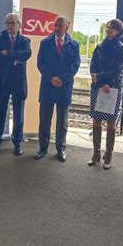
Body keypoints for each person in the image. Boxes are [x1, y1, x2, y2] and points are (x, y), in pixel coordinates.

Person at [34, 15, 80, 162]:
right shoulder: (45, 43)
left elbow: (75, 65)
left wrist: (62, 79)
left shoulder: (74, 44)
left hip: (64, 87)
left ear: (67, 26)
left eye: (61, 25)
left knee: (62, 122)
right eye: (56, 25)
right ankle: (43, 148)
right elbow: (40, 64)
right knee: (45, 120)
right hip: (48, 86)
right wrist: (51, 78)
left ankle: (61, 149)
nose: (58, 28)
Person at [0, 13, 32, 155]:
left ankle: (17, 142)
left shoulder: (25, 40)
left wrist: (8, 53)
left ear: (19, 24)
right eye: (7, 23)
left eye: (12, 23)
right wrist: (14, 60)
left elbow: (26, 55)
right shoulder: (0, 38)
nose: (10, 26)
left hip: (18, 82)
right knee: (0, 112)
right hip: (2, 81)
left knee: (19, 114)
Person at [88, 19, 123, 170]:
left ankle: (108, 155)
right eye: (107, 28)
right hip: (98, 86)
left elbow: (118, 69)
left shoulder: (122, 49)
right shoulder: (99, 47)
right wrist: (98, 79)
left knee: (111, 122)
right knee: (96, 120)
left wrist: (104, 80)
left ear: (119, 31)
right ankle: (96, 153)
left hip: (112, 88)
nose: (109, 30)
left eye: (112, 28)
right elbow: (93, 66)